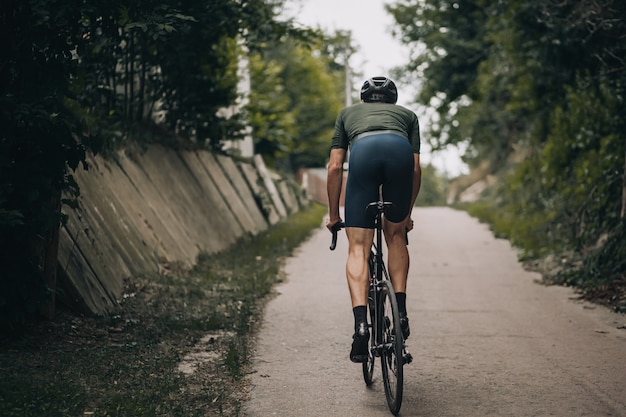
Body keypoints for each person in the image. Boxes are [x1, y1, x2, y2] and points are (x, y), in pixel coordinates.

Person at [326, 76, 421, 363]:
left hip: (363, 155)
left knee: (358, 249)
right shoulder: (408, 116)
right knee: (395, 237)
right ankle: (401, 311)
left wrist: (334, 215)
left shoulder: (347, 114)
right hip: (399, 154)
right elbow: (415, 170)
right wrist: (406, 215)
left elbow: (334, 167)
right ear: (392, 100)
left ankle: (361, 327)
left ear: (363, 99)